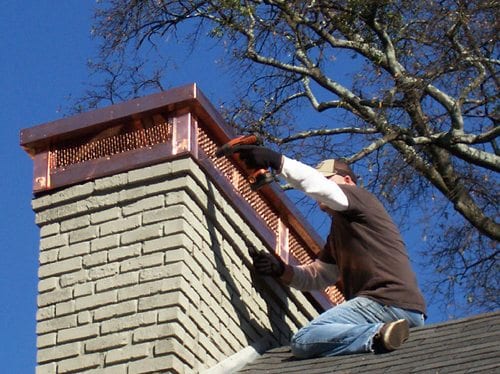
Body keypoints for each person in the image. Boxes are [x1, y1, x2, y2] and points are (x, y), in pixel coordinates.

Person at [231, 145, 427, 358]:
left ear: (348, 181)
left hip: (386, 301)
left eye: (328, 179)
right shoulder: (340, 231)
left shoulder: (359, 198)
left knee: (304, 339)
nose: (321, 190)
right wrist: (280, 269)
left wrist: (277, 161)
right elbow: (318, 276)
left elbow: (320, 188)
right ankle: (384, 335)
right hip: (400, 310)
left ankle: (377, 333)